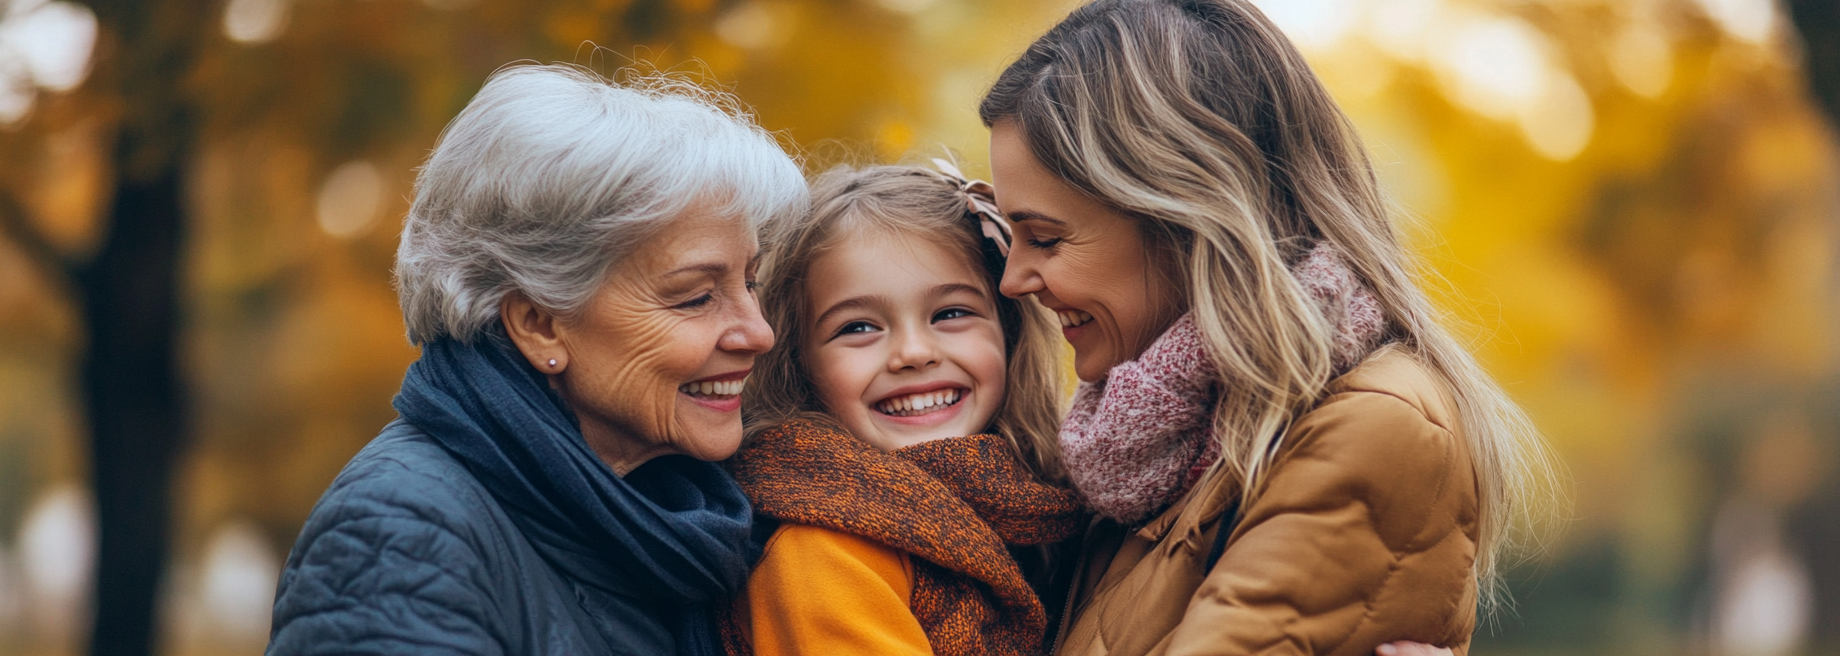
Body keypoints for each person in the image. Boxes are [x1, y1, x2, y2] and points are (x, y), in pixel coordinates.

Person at [978, 1, 1556, 654]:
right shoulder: (1146, 450)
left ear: (1187, 216)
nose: (1014, 279)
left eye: (1045, 238)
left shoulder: (1373, 427)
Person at [266, 64, 807, 654]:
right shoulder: (400, 537)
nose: (759, 333)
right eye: (696, 296)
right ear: (540, 325)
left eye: (750, 283)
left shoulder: (696, 516)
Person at [719, 163, 1082, 656]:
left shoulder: (1050, 512)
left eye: (950, 313)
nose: (913, 352)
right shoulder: (824, 550)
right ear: (799, 363)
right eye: (858, 327)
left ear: (1008, 332)